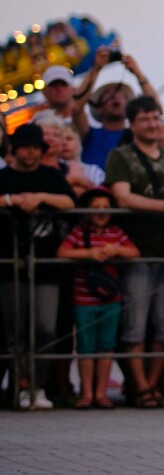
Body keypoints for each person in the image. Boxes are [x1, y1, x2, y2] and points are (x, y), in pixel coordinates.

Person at [106, 95, 164, 409]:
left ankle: (153, 383)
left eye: (156, 117)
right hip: (135, 251)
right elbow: (123, 198)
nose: (153, 124)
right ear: (133, 123)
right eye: (145, 119)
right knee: (135, 324)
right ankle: (139, 387)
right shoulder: (120, 156)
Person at [0, 122, 76, 410]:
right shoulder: (4, 177)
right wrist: (12, 200)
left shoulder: (51, 176)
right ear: (14, 149)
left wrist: (41, 198)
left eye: (34, 147)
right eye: (24, 147)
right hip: (9, 264)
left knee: (45, 327)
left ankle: (37, 385)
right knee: (15, 330)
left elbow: (71, 201)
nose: (30, 153)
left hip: (46, 264)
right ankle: (20, 385)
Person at [57, 186, 138, 409]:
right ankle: (86, 393)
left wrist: (116, 250)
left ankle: (101, 393)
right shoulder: (78, 233)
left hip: (110, 301)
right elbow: (62, 252)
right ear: (86, 211)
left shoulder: (116, 233)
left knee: (106, 347)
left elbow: (134, 252)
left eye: (106, 207)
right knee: (85, 347)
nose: (101, 212)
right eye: (95, 208)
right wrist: (88, 254)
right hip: (83, 301)